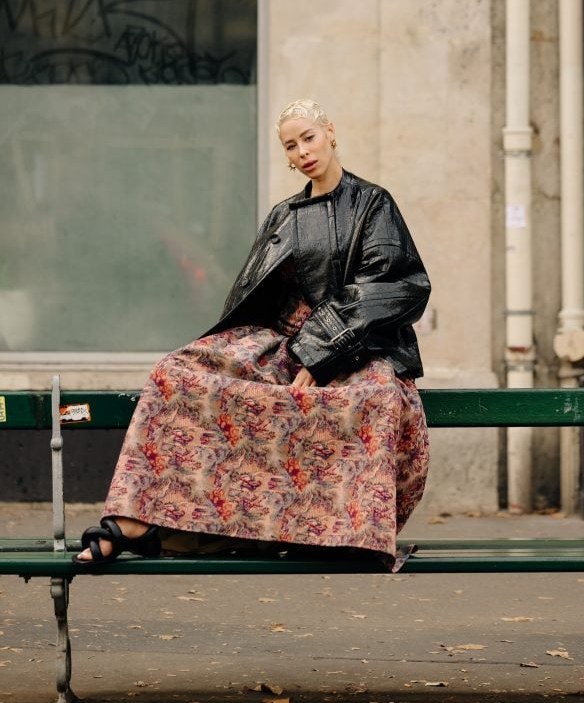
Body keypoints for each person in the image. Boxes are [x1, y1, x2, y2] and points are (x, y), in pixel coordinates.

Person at [74, 99, 430, 569]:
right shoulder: (284, 216)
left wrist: (320, 353)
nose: (303, 150)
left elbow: (395, 286)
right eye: (291, 145)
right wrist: (277, 353)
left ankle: (340, 533)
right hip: (287, 346)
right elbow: (256, 300)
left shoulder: (373, 203)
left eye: (309, 137)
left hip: (356, 351)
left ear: (330, 134)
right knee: (176, 373)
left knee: (376, 401)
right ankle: (134, 518)